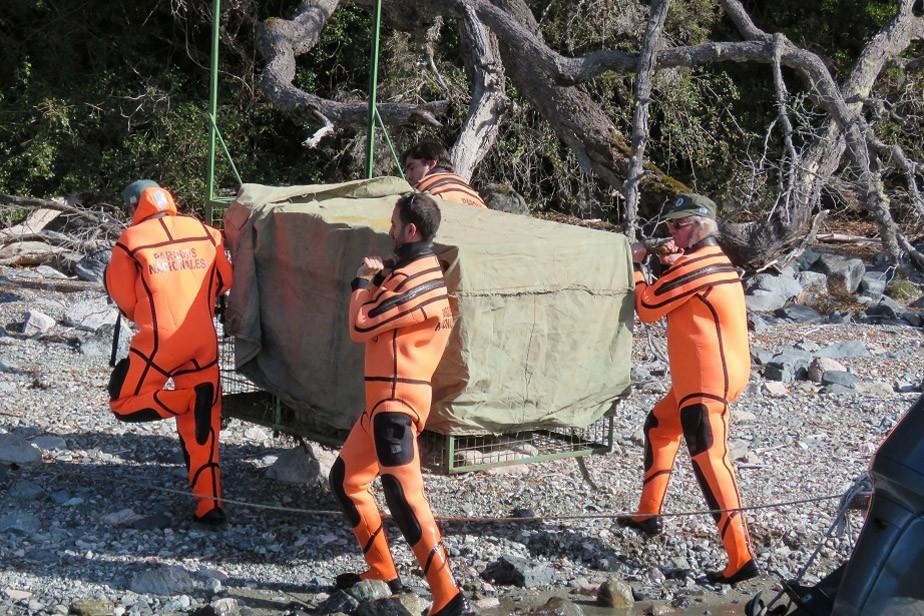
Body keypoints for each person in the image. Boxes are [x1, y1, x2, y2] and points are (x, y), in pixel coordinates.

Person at [329, 192, 468, 616]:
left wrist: (360, 282)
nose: (389, 230)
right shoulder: (410, 273)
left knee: (405, 497)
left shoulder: (416, 280)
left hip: (397, 402)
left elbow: (361, 324)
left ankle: (448, 596)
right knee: (346, 481)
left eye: (393, 224)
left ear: (410, 229)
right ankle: (382, 571)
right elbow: (382, 313)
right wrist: (377, 281)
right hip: (382, 402)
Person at [618, 194, 759, 585]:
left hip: (706, 381)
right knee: (659, 427)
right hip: (700, 378)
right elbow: (683, 289)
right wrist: (667, 263)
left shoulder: (698, 265)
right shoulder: (707, 260)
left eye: (678, 226)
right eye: (669, 226)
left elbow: (648, 308)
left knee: (711, 461)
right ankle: (648, 515)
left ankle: (741, 560)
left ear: (700, 226)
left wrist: (636, 265)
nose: (671, 233)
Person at [104, 180, 232, 525]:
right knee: (204, 427)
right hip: (204, 339)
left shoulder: (130, 241)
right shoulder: (207, 233)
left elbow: (124, 299)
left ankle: (187, 399)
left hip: (159, 342)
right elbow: (225, 279)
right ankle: (210, 505)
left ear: (135, 206)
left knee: (123, 402)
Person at [401, 141, 487, 209]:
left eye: (412, 168)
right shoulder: (473, 194)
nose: (407, 176)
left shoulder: (425, 192)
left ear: (431, 164)